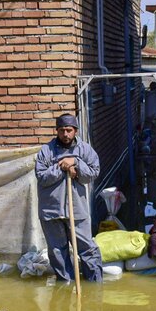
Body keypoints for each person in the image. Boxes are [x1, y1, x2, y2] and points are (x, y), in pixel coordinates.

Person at [35, 113, 103, 283]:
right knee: (58, 251)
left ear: (76, 131)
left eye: (69, 130)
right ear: (57, 131)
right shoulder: (46, 151)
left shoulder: (85, 150)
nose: (65, 134)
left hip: (77, 209)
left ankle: (94, 284)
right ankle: (66, 284)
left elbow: (93, 173)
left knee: (87, 248)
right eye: (62, 130)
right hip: (52, 211)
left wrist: (76, 163)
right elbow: (42, 177)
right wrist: (62, 167)